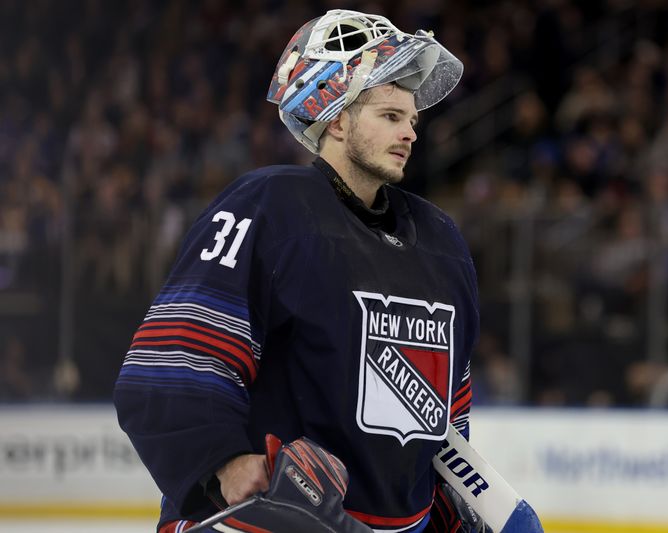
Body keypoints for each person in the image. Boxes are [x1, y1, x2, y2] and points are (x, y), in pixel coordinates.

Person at [114, 9, 481, 533]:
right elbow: (173, 363)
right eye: (389, 116)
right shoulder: (268, 207)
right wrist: (227, 465)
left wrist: (464, 504)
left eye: (412, 120)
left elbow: (445, 415)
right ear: (335, 118)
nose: (410, 133)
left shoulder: (441, 240)